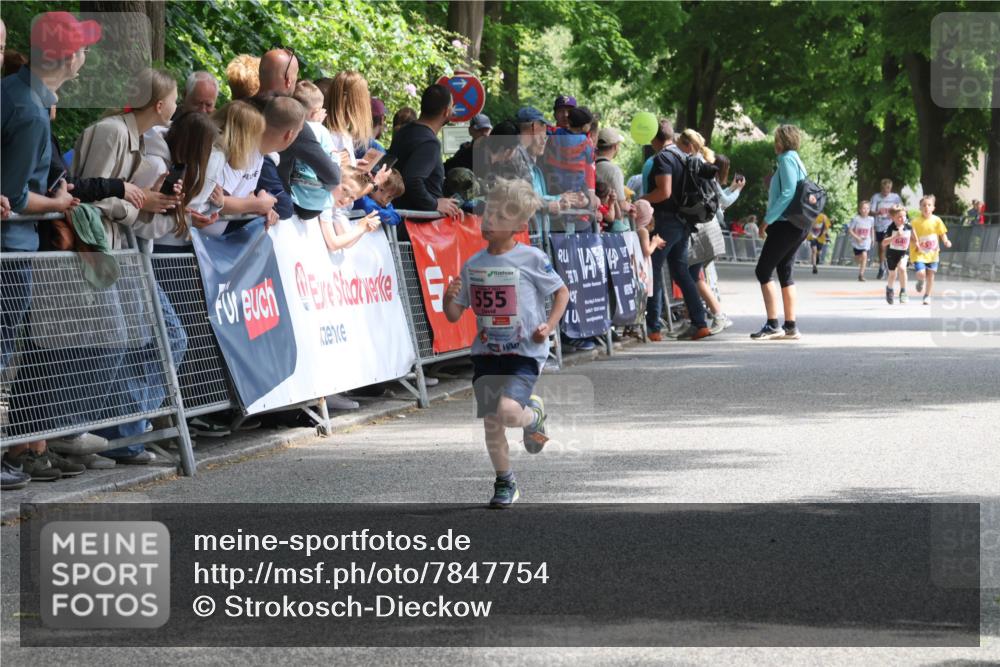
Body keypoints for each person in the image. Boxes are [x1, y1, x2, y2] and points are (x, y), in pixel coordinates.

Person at [1, 12, 94, 482]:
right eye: (81, 49)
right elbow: (14, 196)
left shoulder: (14, 93)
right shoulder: (30, 112)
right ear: (64, 57)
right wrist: (58, 202)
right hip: (11, 249)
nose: (85, 58)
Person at [442, 178, 569, 509]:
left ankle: (534, 417)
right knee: (493, 423)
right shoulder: (474, 265)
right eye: (489, 212)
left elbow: (562, 292)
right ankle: (505, 482)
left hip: (523, 353)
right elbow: (455, 315)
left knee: (509, 412)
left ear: (520, 225)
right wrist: (448, 299)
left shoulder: (531, 259)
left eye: (500, 215)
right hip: (487, 355)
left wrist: (549, 325)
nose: (489, 219)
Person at [639, 122, 711, 341]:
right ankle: (700, 322)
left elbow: (664, 192)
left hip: (666, 221)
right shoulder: (684, 157)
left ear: (654, 139)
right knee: (681, 272)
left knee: (655, 267)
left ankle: (653, 328)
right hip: (683, 221)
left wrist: (641, 199)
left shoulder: (663, 158)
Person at [751, 124, 810, 341]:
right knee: (785, 270)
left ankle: (773, 324)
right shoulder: (796, 159)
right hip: (798, 224)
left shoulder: (786, 159)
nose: (774, 143)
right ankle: (791, 326)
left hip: (786, 224)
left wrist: (767, 220)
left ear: (782, 141)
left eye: (776, 139)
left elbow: (787, 193)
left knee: (763, 270)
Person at [675, 128, 730, 335]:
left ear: (686, 145)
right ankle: (695, 318)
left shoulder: (692, 164)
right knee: (692, 273)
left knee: (692, 274)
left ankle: (717, 314)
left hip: (699, 227)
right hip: (706, 224)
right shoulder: (702, 164)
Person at [387, 84, 462, 219]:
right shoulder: (430, 143)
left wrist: (448, 205)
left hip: (399, 218)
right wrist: (434, 204)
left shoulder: (403, 132)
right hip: (418, 227)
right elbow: (412, 180)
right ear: (446, 111)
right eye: (452, 107)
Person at [212, 101, 277, 224]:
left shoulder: (250, 156)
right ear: (242, 136)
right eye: (256, 134)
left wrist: (262, 207)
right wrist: (258, 204)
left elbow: (247, 193)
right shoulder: (218, 157)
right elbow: (220, 203)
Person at [255, 95, 307, 221]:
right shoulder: (257, 156)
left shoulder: (258, 154)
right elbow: (285, 207)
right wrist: (257, 204)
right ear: (289, 134)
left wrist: (261, 195)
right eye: (298, 133)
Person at [910, 194, 951, 305]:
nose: (926, 207)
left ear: (933, 208)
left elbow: (942, 233)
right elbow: (911, 235)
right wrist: (915, 242)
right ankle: (920, 281)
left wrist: (946, 241)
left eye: (929, 205)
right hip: (919, 253)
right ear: (920, 208)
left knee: (930, 275)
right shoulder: (915, 222)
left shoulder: (937, 220)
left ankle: (927, 295)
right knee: (921, 273)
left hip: (933, 253)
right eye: (924, 205)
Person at [869, 178, 903, 279]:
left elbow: (901, 208)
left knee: (891, 247)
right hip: (880, 225)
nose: (886, 190)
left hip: (892, 225)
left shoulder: (895, 197)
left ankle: (890, 267)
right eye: (884, 188)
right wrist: (878, 212)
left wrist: (894, 213)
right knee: (882, 247)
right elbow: (871, 211)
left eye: (888, 188)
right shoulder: (876, 197)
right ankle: (881, 267)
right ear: (881, 188)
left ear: (890, 188)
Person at [881, 204, 913, 305]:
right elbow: (884, 242)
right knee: (892, 275)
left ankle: (903, 292)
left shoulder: (908, 226)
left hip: (904, 252)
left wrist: (917, 244)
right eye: (899, 216)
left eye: (904, 216)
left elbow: (914, 235)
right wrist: (895, 237)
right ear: (893, 217)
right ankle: (889, 289)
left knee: (902, 269)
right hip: (892, 254)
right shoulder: (890, 228)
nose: (902, 218)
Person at [847, 200, 875, 281]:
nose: (866, 210)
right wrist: (857, 238)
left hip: (866, 241)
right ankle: (858, 260)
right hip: (857, 242)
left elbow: (872, 229)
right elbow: (850, 230)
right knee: (858, 259)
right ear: (860, 210)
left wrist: (873, 238)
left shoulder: (871, 219)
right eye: (864, 208)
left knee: (864, 255)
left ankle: (861, 275)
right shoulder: (856, 219)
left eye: (867, 208)